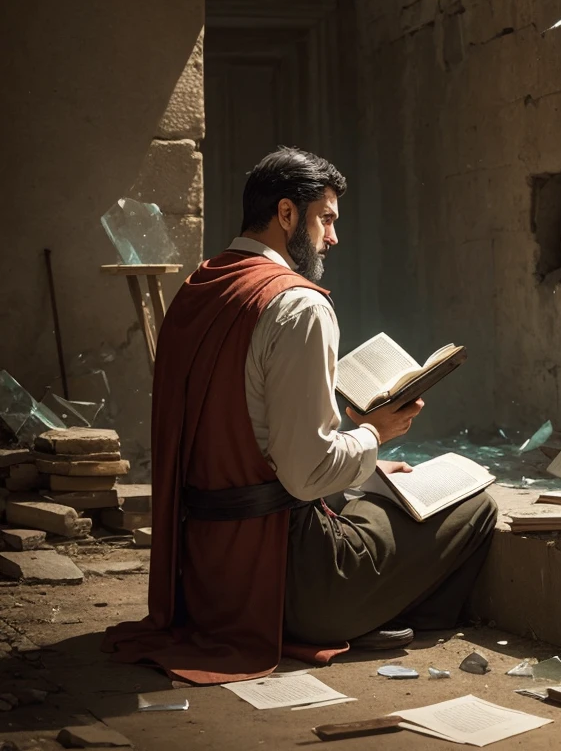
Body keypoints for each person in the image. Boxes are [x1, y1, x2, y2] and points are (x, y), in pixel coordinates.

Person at [103, 147, 497, 684]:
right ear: (287, 214)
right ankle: (380, 615)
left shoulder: (200, 288)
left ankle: (374, 608)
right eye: (326, 219)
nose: (333, 237)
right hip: (284, 583)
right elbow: (306, 473)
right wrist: (374, 432)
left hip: (201, 581)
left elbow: (243, 442)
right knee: (474, 505)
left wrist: (368, 465)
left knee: (374, 492)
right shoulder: (299, 305)